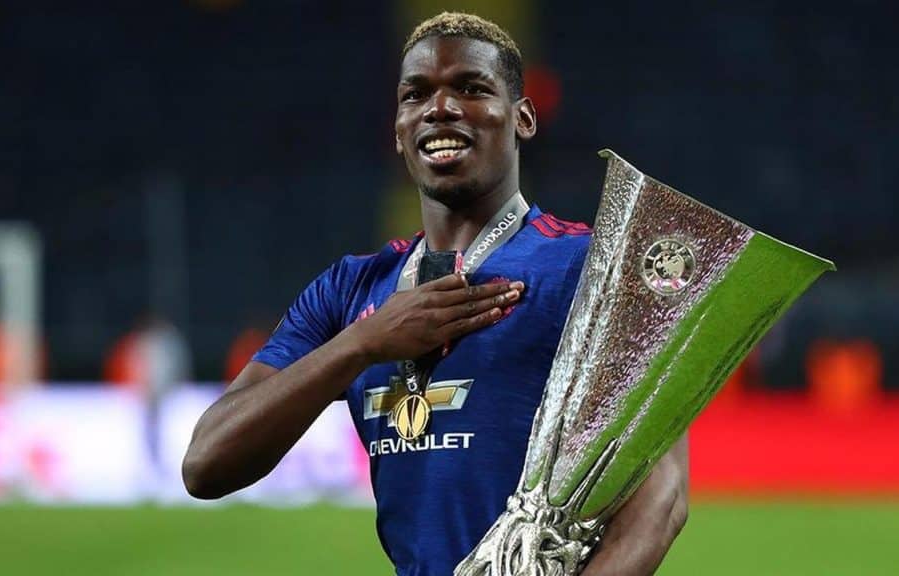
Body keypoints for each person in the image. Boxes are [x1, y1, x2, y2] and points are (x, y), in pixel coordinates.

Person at [183, 12, 688, 576]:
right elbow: (206, 464)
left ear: (522, 118)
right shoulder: (349, 290)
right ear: (399, 130)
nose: (440, 108)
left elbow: (661, 499)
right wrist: (362, 345)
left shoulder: (594, 267)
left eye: (471, 89)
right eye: (416, 94)